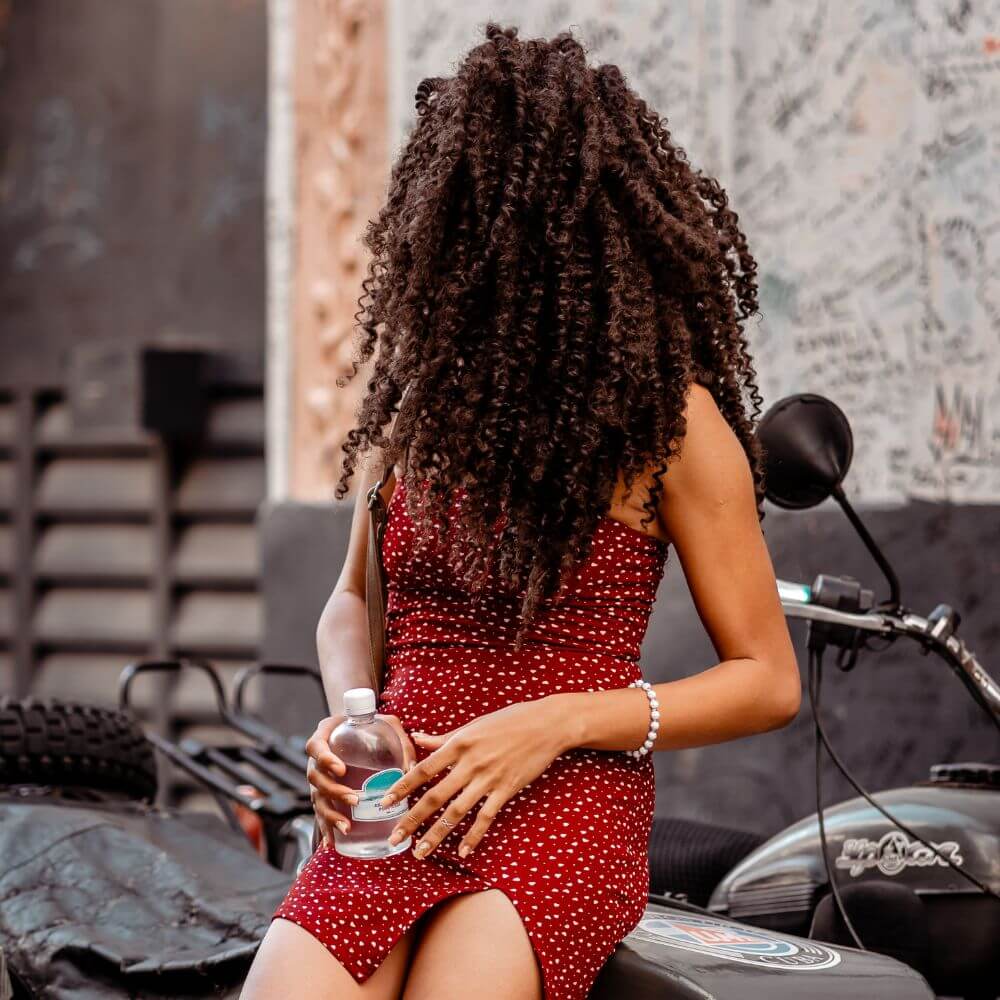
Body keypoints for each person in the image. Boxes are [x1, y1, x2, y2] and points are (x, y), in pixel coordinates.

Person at [241, 21, 800, 1000]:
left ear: (596, 230)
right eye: (469, 225)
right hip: (397, 803)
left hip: (565, 800)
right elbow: (350, 604)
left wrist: (556, 722)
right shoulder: (419, 413)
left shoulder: (670, 423)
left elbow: (766, 679)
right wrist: (349, 725)